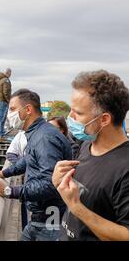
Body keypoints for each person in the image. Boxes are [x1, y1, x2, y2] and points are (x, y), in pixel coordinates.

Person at [52, 70, 129, 241]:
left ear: (104, 120)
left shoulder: (125, 168)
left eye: (78, 113)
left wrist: (76, 207)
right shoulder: (87, 145)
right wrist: (59, 184)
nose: (69, 117)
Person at [0, 88, 72, 241]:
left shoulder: (44, 138)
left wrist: (9, 190)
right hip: (40, 219)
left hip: (49, 222)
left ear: (28, 110)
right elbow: (28, 160)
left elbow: (51, 184)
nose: (9, 115)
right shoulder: (38, 133)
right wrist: (3, 173)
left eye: (12, 109)